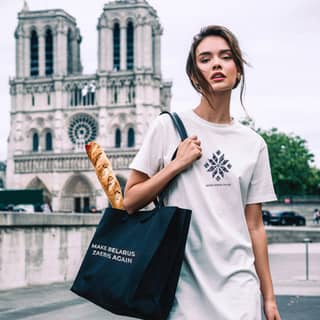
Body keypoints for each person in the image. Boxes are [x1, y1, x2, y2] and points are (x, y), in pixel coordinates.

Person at [124, 25, 281, 320]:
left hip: (240, 291)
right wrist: (175, 165)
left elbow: (255, 226)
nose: (217, 64)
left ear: (239, 70)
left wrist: (268, 297)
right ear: (195, 75)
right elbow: (129, 200)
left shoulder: (254, 144)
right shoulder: (167, 127)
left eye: (225, 56)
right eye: (205, 59)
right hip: (181, 291)